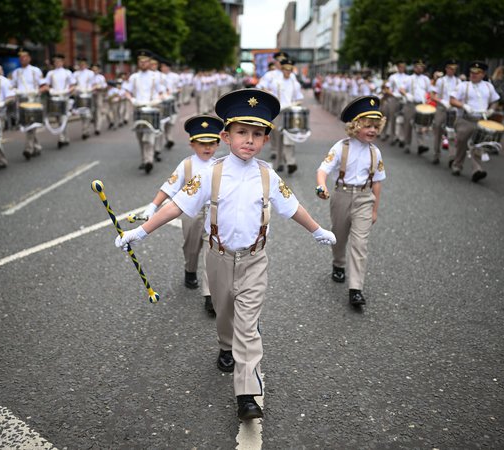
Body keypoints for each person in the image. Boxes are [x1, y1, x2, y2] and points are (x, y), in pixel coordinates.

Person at [114, 89, 336, 421]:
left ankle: (247, 394)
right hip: (217, 258)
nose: (250, 140)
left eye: (257, 134)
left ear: (264, 139)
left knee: (248, 326)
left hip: (254, 261)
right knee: (224, 312)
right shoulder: (209, 173)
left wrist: (318, 230)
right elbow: (177, 206)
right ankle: (223, 344)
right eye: (242, 133)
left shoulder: (268, 175)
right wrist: (139, 232)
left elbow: (293, 208)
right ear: (226, 136)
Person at [143, 114, 224, 316]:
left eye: (212, 143)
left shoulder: (221, 165)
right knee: (191, 245)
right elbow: (169, 187)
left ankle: (210, 295)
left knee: (212, 252)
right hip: (190, 212)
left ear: (218, 143)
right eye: (202, 143)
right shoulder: (186, 165)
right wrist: (153, 206)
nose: (207, 148)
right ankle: (190, 269)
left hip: (214, 213)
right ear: (192, 144)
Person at [315, 96, 386, 307]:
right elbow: (323, 169)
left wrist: (374, 209)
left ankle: (356, 289)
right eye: (367, 126)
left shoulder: (376, 152)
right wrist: (322, 185)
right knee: (339, 235)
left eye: (376, 126)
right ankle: (338, 263)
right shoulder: (341, 147)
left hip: (364, 198)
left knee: (360, 243)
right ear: (355, 126)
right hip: (341, 195)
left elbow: (378, 183)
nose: (372, 130)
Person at [449, 60, 500, 182]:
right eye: (472, 72)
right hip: (465, 119)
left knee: (477, 145)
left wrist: (491, 110)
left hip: (482, 120)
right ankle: (457, 165)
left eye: (477, 73)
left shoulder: (488, 86)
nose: (473, 74)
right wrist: (464, 106)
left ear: (483, 74)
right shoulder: (463, 85)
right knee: (461, 142)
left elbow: (495, 101)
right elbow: (452, 100)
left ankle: (477, 169)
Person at [124, 50, 167, 173]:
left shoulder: (155, 77)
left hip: (151, 108)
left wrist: (157, 100)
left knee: (149, 135)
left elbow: (162, 92)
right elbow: (127, 91)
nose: (143, 63)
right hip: (138, 108)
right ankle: (144, 159)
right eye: (140, 61)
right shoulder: (134, 77)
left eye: (145, 61)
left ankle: (149, 160)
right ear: (138, 62)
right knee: (140, 136)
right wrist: (131, 99)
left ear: (149, 62)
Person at [265, 58, 304, 174]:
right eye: (286, 69)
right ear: (282, 69)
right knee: (278, 138)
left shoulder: (295, 83)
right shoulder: (276, 82)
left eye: (290, 69)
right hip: (278, 112)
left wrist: (297, 103)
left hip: (290, 112)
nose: (288, 71)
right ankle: (279, 163)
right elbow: (271, 98)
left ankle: (291, 162)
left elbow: (299, 98)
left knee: (290, 137)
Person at [11, 48, 44, 160]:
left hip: (33, 100)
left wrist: (38, 91)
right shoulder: (16, 72)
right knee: (27, 124)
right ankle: (37, 146)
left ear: (29, 58)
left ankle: (28, 149)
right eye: (21, 57)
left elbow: (44, 86)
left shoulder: (36, 71)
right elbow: (12, 86)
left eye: (25, 57)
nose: (23, 59)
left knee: (31, 124)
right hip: (22, 100)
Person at [40, 53, 76, 148]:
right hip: (54, 97)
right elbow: (47, 85)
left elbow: (73, 86)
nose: (57, 63)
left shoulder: (68, 73)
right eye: (55, 61)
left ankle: (62, 137)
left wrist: (67, 91)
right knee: (57, 117)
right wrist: (50, 90)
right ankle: (63, 136)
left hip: (64, 97)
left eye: (59, 61)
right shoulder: (51, 73)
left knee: (63, 117)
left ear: (62, 62)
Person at [429, 59, 460, 165]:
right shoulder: (440, 81)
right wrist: (442, 101)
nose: (452, 70)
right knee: (438, 130)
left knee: (452, 133)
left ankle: (452, 157)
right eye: (450, 68)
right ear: (446, 69)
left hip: (453, 109)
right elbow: (433, 95)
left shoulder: (458, 81)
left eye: (454, 69)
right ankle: (436, 154)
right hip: (442, 108)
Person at [399, 59, 432, 154]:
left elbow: (429, 92)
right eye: (418, 67)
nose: (420, 68)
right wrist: (406, 95)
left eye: (422, 67)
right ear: (414, 68)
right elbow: (401, 89)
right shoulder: (409, 78)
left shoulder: (426, 79)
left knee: (420, 125)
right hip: (411, 104)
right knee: (408, 125)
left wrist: (427, 100)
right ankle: (407, 144)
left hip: (421, 104)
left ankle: (421, 145)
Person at [381, 60, 409, 144]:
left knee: (403, 119)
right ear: (398, 67)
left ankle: (401, 137)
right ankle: (392, 136)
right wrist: (392, 94)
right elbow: (387, 88)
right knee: (392, 118)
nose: (402, 68)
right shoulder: (393, 77)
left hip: (404, 98)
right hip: (394, 98)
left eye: (403, 67)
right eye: (400, 66)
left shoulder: (408, 77)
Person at [73, 56, 95, 140]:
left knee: (88, 114)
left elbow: (94, 84)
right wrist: (76, 89)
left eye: (83, 64)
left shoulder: (90, 73)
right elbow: (73, 84)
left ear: (86, 64)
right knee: (82, 114)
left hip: (88, 95)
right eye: (80, 64)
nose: (81, 65)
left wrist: (89, 89)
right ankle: (84, 129)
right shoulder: (75, 74)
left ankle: (86, 129)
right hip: (79, 95)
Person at [91, 63, 107, 135]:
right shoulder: (89, 76)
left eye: (96, 70)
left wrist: (98, 87)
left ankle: (98, 128)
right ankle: (94, 126)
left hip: (98, 95)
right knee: (92, 112)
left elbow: (104, 86)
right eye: (93, 70)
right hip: (90, 95)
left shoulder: (101, 77)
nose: (94, 71)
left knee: (98, 112)